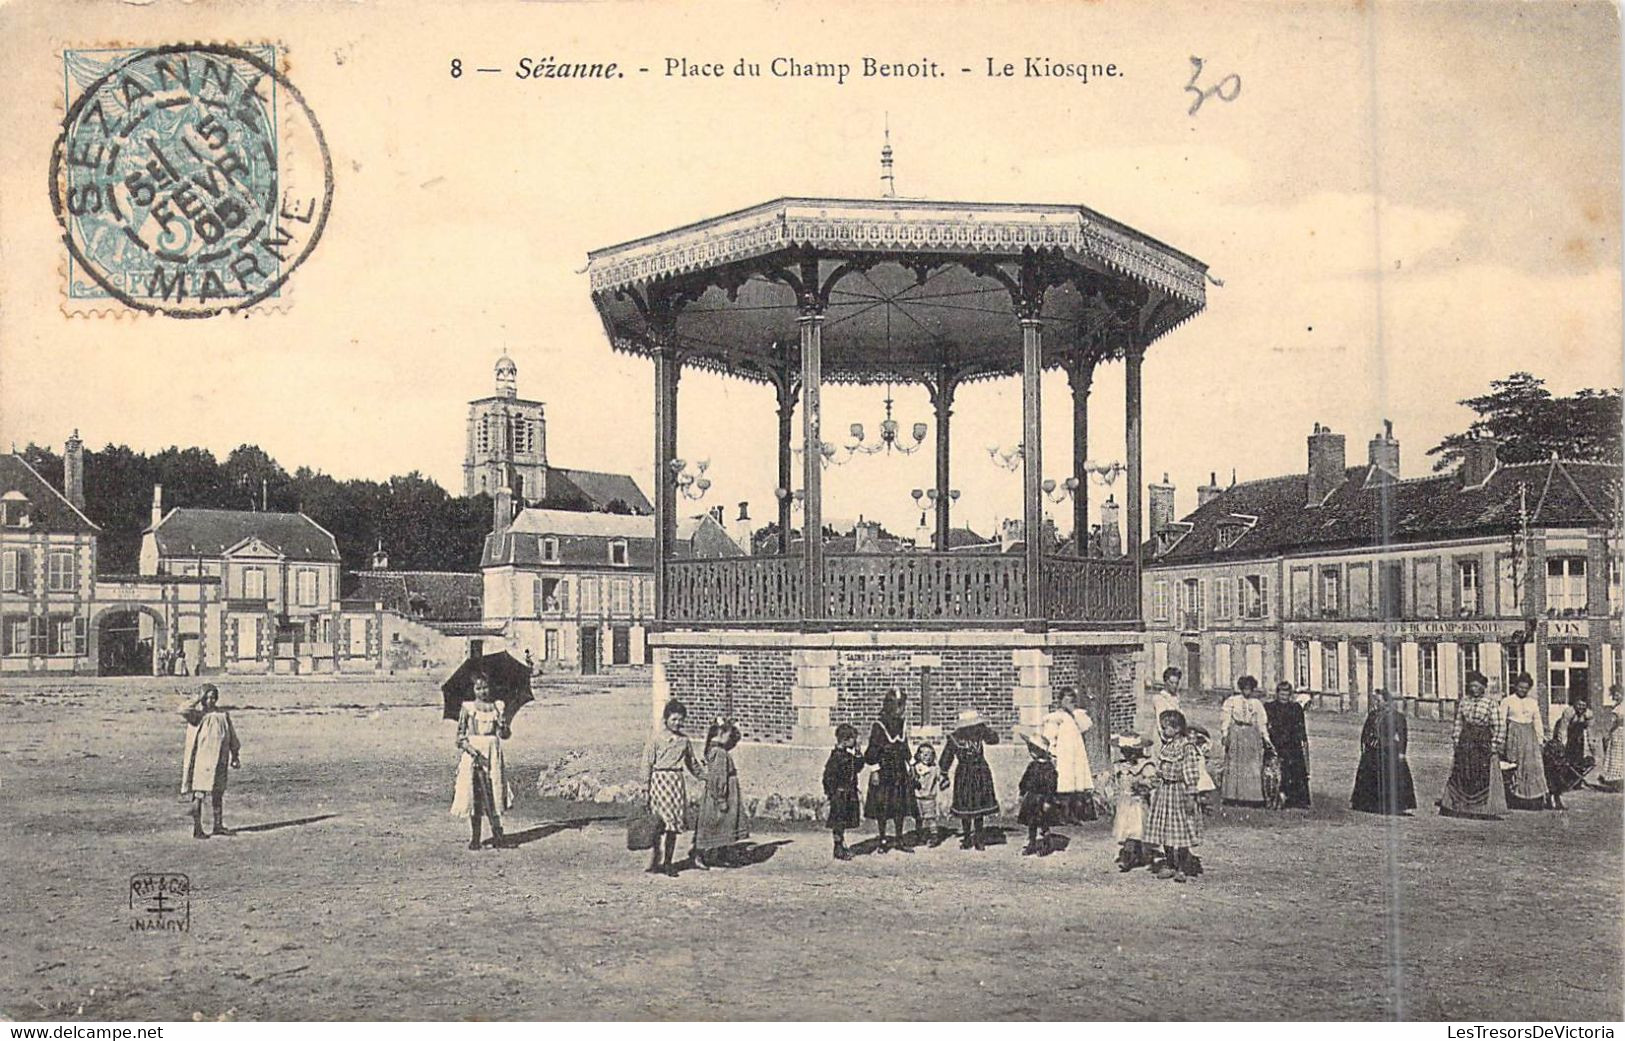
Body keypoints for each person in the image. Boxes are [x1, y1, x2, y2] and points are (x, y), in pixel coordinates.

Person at [642, 698, 705, 875]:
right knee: (658, 824)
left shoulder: (684, 741)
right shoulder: (655, 738)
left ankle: (669, 863)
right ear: (666, 719)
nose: (677, 723)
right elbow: (647, 763)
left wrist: (704, 777)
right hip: (659, 782)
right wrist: (645, 788)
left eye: (680, 719)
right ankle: (656, 859)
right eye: (673, 719)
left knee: (673, 826)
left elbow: (692, 764)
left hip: (676, 784)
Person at [451, 674, 512, 850]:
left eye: (485, 687)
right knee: (475, 793)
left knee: (493, 791)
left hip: (493, 753)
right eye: (478, 688)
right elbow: (460, 738)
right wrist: (471, 750)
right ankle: (475, 836)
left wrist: (502, 725)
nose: (482, 692)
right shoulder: (468, 708)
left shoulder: (498, 707)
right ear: (473, 689)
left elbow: (505, 736)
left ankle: (497, 831)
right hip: (474, 754)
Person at [1438, 671, 1507, 820]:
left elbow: (1499, 725)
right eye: (1472, 686)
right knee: (1462, 772)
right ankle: (1460, 805)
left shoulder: (1490, 703)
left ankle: (1480, 808)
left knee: (1480, 774)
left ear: (1483, 687)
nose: (1474, 689)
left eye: (1477, 686)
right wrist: (1456, 740)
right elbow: (1459, 722)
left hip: (1482, 742)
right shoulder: (1464, 702)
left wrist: (1495, 744)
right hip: (1466, 741)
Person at [1144, 710, 1204, 882]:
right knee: (1166, 829)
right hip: (1165, 793)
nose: (1163, 731)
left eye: (1166, 727)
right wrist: (1153, 781)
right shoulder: (1167, 746)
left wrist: (1191, 796)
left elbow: (1191, 772)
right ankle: (1170, 863)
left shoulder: (1187, 747)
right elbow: (1161, 769)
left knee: (1181, 830)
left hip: (1180, 792)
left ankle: (1182, 867)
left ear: (1177, 728)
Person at [180, 684, 240, 839]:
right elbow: (182, 709)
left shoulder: (223, 715)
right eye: (207, 697)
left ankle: (218, 825)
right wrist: (197, 698)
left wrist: (235, 755)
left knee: (218, 793)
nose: (210, 700)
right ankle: (197, 828)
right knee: (199, 794)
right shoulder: (197, 715)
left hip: (221, 758)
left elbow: (232, 736)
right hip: (202, 761)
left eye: (213, 697)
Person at [863, 689, 918, 853]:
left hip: (899, 770)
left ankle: (899, 838)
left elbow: (904, 747)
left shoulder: (901, 724)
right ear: (891, 707)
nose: (902, 710)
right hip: (884, 771)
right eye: (899, 706)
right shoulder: (879, 726)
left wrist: (911, 764)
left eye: (903, 706)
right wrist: (874, 770)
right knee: (883, 805)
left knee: (899, 804)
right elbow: (872, 750)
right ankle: (883, 839)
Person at [940, 708, 1000, 851]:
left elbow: (994, 740)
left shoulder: (980, 734)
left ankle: (979, 837)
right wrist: (944, 773)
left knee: (979, 806)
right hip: (964, 773)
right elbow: (947, 756)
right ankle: (967, 837)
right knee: (965, 804)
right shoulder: (955, 738)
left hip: (980, 771)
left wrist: (986, 730)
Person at [1350, 688, 1416, 815]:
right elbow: (1366, 731)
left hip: (1388, 751)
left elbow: (1402, 735)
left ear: (1386, 701)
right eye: (1376, 700)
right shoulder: (1373, 715)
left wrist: (1402, 752)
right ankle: (1366, 803)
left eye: (1379, 700)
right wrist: (1364, 745)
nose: (1376, 703)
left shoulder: (1397, 716)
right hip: (1372, 750)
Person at [693, 721, 748, 868]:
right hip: (722, 792)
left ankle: (718, 855)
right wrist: (721, 798)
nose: (731, 741)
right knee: (713, 823)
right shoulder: (719, 753)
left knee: (723, 824)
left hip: (726, 791)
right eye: (729, 736)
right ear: (721, 734)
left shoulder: (717, 750)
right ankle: (699, 855)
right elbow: (719, 777)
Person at [1040, 686, 1097, 823]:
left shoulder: (1076, 716)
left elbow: (1086, 726)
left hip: (1076, 754)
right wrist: (1052, 754)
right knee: (1064, 784)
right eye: (1067, 701)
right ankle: (1062, 815)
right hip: (1063, 755)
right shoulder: (1056, 718)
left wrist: (1074, 712)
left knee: (1076, 784)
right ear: (1060, 701)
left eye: (1072, 701)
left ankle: (1074, 814)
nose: (1070, 703)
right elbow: (1049, 738)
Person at [1219, 676, 1273, 807]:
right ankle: (1233, 796)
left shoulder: (1257, 704)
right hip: (1237, 733)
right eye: (1245, 688)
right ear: (1241, 688)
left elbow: (1262, 723)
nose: (1247, 691)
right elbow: (1225, 718)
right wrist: (1225, 734)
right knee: (1235, 765)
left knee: (1252, 766)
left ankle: (1252, 797)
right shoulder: (1232, 701)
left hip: (1251, 735)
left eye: (1250, 688)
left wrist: (1266, 739)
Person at [1500, 673, 1550, 810]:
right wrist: (1501, 739)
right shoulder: (1507, 701)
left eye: (1526, 688)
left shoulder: (1532, 702)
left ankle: (1532, 798)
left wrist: (1540, 740)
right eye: (1520, 687)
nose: (1523, 690)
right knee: (1515, 766)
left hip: (1529, 737)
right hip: (1513, 735)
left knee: (1532, 767)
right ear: (1515, 686)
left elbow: (1537, 721)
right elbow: (1502, 722)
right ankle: (1514, 797)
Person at [1111, 735, 1157, 871]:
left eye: (1130, 751)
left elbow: (1153, 782)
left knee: (1135, 829)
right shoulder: (1120, 765)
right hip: (1124, 802)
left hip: (1137, 802)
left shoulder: (1144, 765)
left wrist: (1142, 784)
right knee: (1126, 829)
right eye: (1124, 750)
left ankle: (1128, 857)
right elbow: (1116, 783)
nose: (1127, 754)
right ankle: (1138, 854)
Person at [1264, 681, 1312, 809]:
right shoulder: (1270, 707)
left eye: (1286, 694)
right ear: (1277, 694)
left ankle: (1295, 799)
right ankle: (1276, 798)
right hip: (1277, 743)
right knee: (1277, 771)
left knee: (1295, 771)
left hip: (1293, 744)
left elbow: (1301, 726)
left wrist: (1303, 739)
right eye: (1281, 694)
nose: (1284, 697)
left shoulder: (1295, 708)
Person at [823, 723, 865, 860]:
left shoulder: (847, 756)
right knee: (838, 822)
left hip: (848, 794)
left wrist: (858, 752)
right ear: (846, 740)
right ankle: (838, 847)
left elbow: (858, 767)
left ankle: (840, 845)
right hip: (840, 794)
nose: (855, 741)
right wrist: (831, 793)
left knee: (843, 821)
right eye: (853, 739)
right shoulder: (837, 757)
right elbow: (828, 777)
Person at [1017, 732, 1062, 856]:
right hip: (1031, 798)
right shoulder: (1032, 766)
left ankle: (1047, 843)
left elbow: (1051, 786)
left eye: (1032, 750)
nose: (1030, 753)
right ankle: (1032, 843)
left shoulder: (1049, 769)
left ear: (1037, 752)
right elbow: (1025, 779)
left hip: (1043, 800)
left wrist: (1048, 801)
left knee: (1043, 823)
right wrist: (1022, 791)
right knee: (1031, 822)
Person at [1548, 694, 1596, 801]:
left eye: (1583, 705)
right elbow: (1563, 729)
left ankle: (1576, 781)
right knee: (1566, 758)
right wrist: (1562, 744)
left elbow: (1590, 732)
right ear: (1575, 703)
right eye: (1579, 705)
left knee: (1578, 756)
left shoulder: (1588, 714)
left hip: (1578, 736)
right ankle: (1565, 781)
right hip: (1566, 733)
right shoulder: (1569, 712)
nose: (1581, 707)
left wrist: (1592, 748)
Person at [911, 743, 944, 846]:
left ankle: (934, 836)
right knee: (918, 818)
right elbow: (911, 778)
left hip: (929, 798)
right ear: (918, 756)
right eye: (924, 754)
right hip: (917, 797)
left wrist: (944, 781)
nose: (927, 757)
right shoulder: (916, 767)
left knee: (930, 818)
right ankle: (919, 836)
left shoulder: (935, 768)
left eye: (930, 755)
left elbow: (941, 778)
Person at [1598, 690, 1625, 793]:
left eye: (1618, 695)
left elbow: (1614, 722)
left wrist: (1607, 732)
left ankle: (1618, 782)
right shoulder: (1617, 707)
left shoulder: (1619, 708)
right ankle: (1619, 783)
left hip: (1619, 733)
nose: (1616, 697)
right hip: (1619, 732)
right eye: (1615, 695)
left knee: (1617, 756)